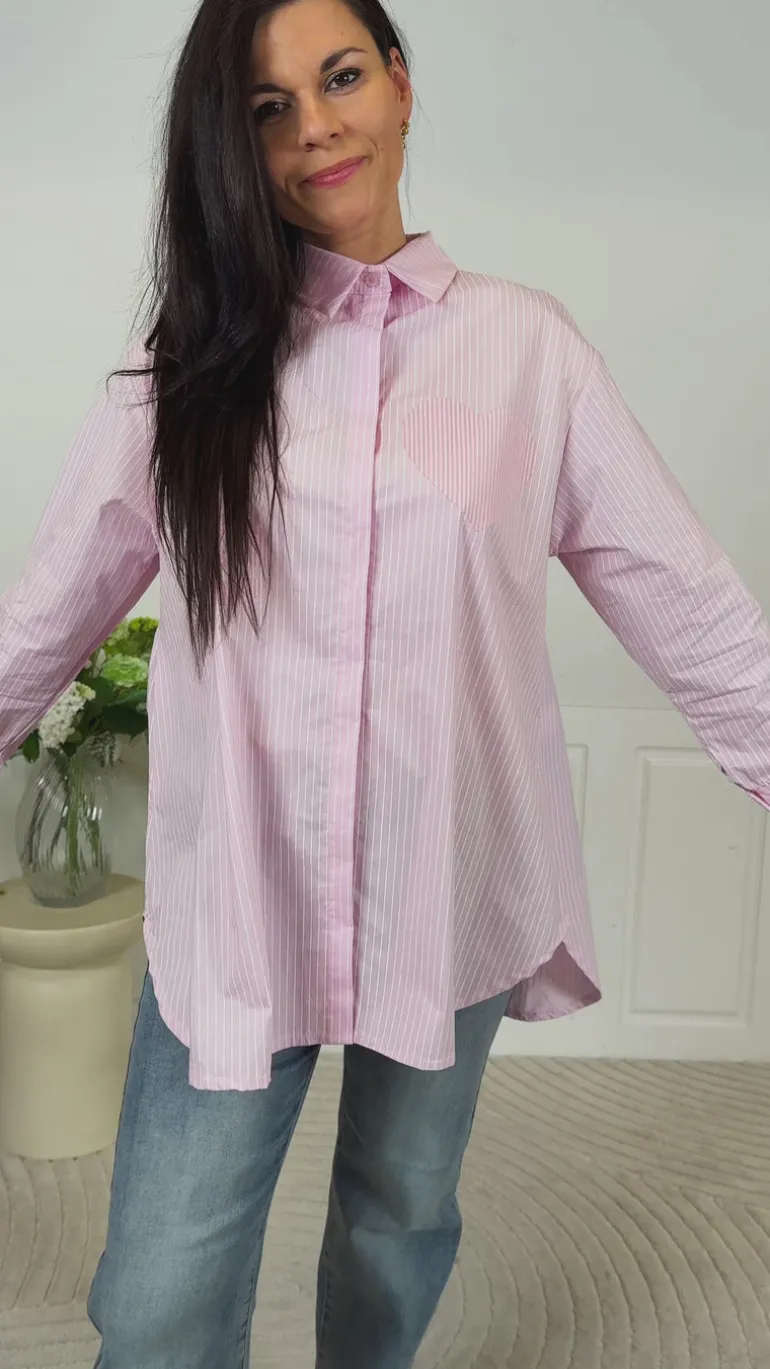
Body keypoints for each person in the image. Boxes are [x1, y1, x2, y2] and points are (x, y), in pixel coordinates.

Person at [2, 0, 770, 1364]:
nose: (317, 127)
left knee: (397, 1215)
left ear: (400, 85)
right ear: (234, 146)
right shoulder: (181, 377)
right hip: (241, 904)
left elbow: (682, 596)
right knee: (162, 1293)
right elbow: (42, 616)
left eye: (341, 76)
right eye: (268, 108)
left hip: (444, 883)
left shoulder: (528, 351)